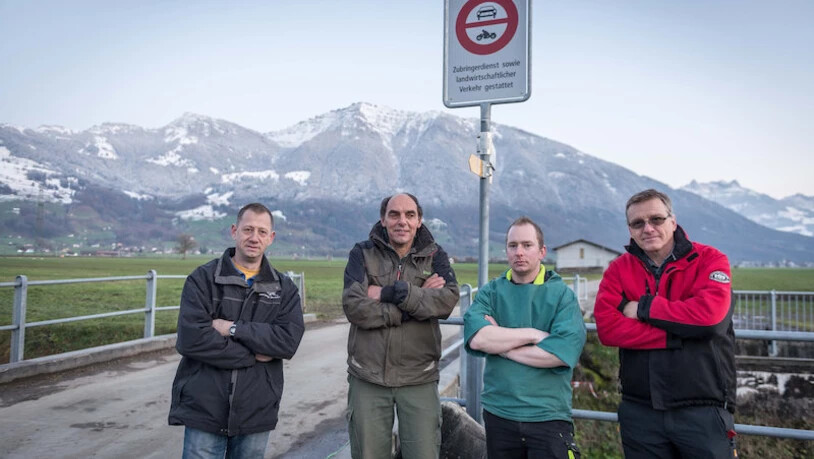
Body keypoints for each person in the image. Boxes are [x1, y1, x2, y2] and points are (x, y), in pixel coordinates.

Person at [594, 189, 737, 458]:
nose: (647, 228)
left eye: (656, 219)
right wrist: (676, 336)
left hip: (702, 407)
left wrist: (643, 308)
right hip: (640, 410)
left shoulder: (710, 260)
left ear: (673, 221)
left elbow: (709, 320)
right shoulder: (618, 269)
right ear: (630, 229)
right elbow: (607, 328)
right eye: (638, 223)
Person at [168, 202, 305, 458]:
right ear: (234, 231)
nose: (254, 238)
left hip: (256, 410)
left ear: (271, 238)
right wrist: (253, 355)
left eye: (262, 232)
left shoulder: (283, 289)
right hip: (204, 408)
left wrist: (231, 328)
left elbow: (287, 343)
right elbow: (191, 339)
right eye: (248, 229)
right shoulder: (203, 279)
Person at [342, 193, 460, 459]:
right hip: (368, 376)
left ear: (419, 221)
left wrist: (391, 292)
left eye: (410, 215)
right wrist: (414, 303)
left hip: (418, 377)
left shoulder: (436, 255)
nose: (402, 221)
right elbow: (354, 306)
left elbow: (446, 301)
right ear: (383, 220)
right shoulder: (361, 253)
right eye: (394, 214)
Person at [463, 216, 586, 458]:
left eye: (527, 245)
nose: (519, 252)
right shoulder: (491, 291)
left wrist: (502, 345)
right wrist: (532, 334)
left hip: (547, 415)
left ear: (542, 251)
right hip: (499, 413)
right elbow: (478, 339)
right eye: (513, 245)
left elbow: (560, 354)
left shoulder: (562, 296)